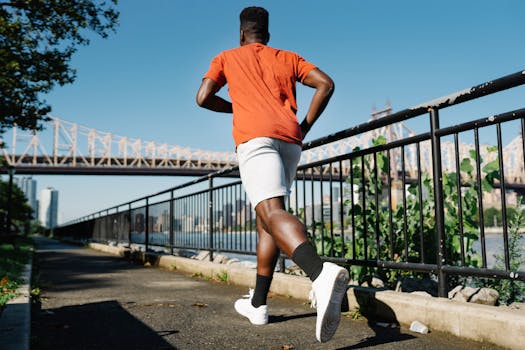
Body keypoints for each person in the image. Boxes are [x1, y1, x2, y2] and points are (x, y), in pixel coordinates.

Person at [196, 6, 349, 343]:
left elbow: (203, 97)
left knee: (271, 211)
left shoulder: (227, 57)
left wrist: (237, 106)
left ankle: (319, 273)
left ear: (241, 34)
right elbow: (326, 84)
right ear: (267, 34)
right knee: (266, 220)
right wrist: (303, 127)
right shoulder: (288, 57)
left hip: (256, 138)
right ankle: (258, 304)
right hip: (289, 141)